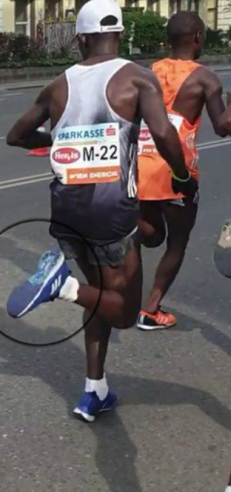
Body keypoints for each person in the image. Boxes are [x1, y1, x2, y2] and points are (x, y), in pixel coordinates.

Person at [5, 0, 195, 422]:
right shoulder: (137, 77)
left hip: (67, 213)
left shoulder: (59, 85)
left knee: (101, 297)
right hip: (111, 215)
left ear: (80, 39)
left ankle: (95, 390)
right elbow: (163, 133)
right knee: (124, 311)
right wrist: (182, 177)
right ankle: (62, 287)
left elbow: (15, 136)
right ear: (120, 35)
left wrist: (58, 139)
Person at [136, 11, 228, 330]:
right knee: (176, 242)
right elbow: (223, 126)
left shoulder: (148, 72)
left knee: (150, 234)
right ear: (198, 37)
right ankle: (150, 310)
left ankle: (121, 254)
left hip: (142, 165)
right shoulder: (205, 78)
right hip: (179, 173)